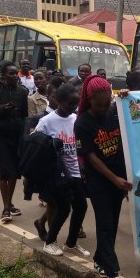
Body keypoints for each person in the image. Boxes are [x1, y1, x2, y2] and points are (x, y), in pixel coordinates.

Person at [75, 75, 131, 278]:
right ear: (89, 100)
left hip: (119, 180)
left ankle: (100, 260)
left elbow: (137, 111)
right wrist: (114, 179)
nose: (104, 107)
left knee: (112, 223)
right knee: (105, 223)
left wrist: (127, 97)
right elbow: (90, 157)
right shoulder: (82, 123)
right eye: (99, 105)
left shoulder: (114, 111)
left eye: (107, 102)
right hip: (100, 182)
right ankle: (111, 271)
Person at [35, 84, 90, 258]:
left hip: (75, 172)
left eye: (76, 104)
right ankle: (50, 242)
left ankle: (71, 243)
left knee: (81, 206)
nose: (73, 108)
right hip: (57, 173)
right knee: (63, 208)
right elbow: (34, 144)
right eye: (69, 104)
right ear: (59, 101)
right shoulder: (47, 121)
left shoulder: (75, 119)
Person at [0, 61, 29, 222]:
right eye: (11, 73)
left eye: (16, 73)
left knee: (14, 172)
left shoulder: (22, 92)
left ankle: (9, 203)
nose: (15, 76)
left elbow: (25, 116)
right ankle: (5, 208)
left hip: (16, 136)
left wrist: (25, 135)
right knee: (4, 170)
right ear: (3, 74)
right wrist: (3, 108)